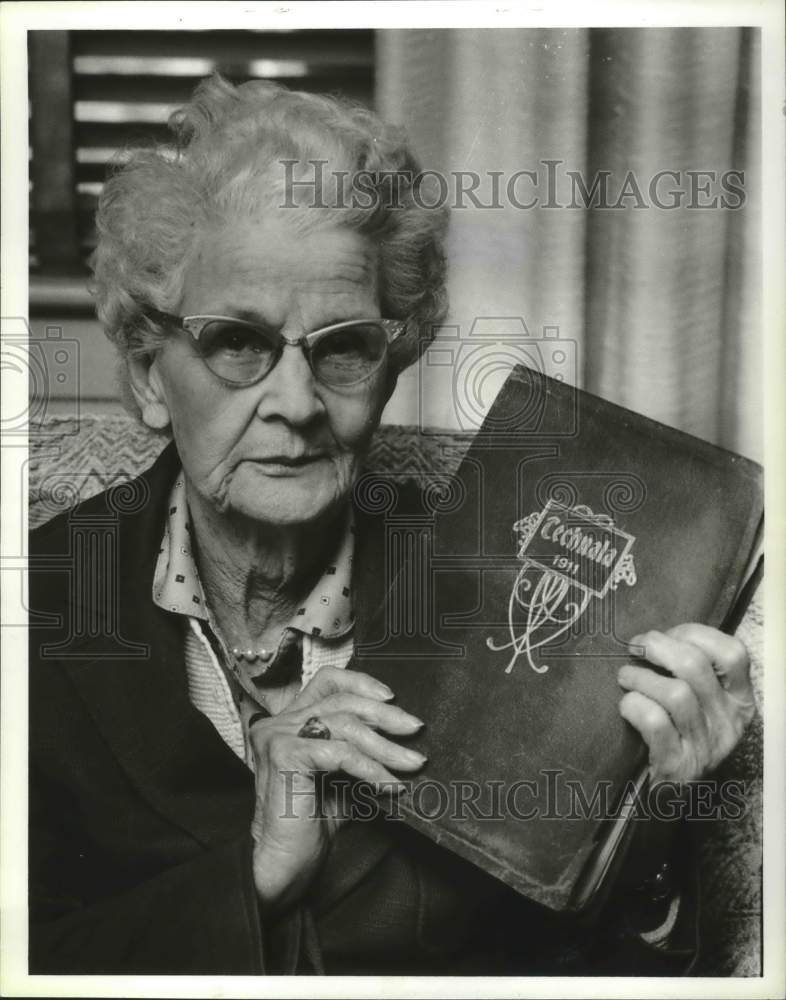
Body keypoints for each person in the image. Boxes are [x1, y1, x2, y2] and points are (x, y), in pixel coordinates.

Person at [28, 76, 756, 976]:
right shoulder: (40, 609)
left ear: (391, 367)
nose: (295, 404)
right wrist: (252, 879)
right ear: (147, 373)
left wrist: (651, 820)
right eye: (237, 342)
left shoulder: (501, 586)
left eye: (343, 347)